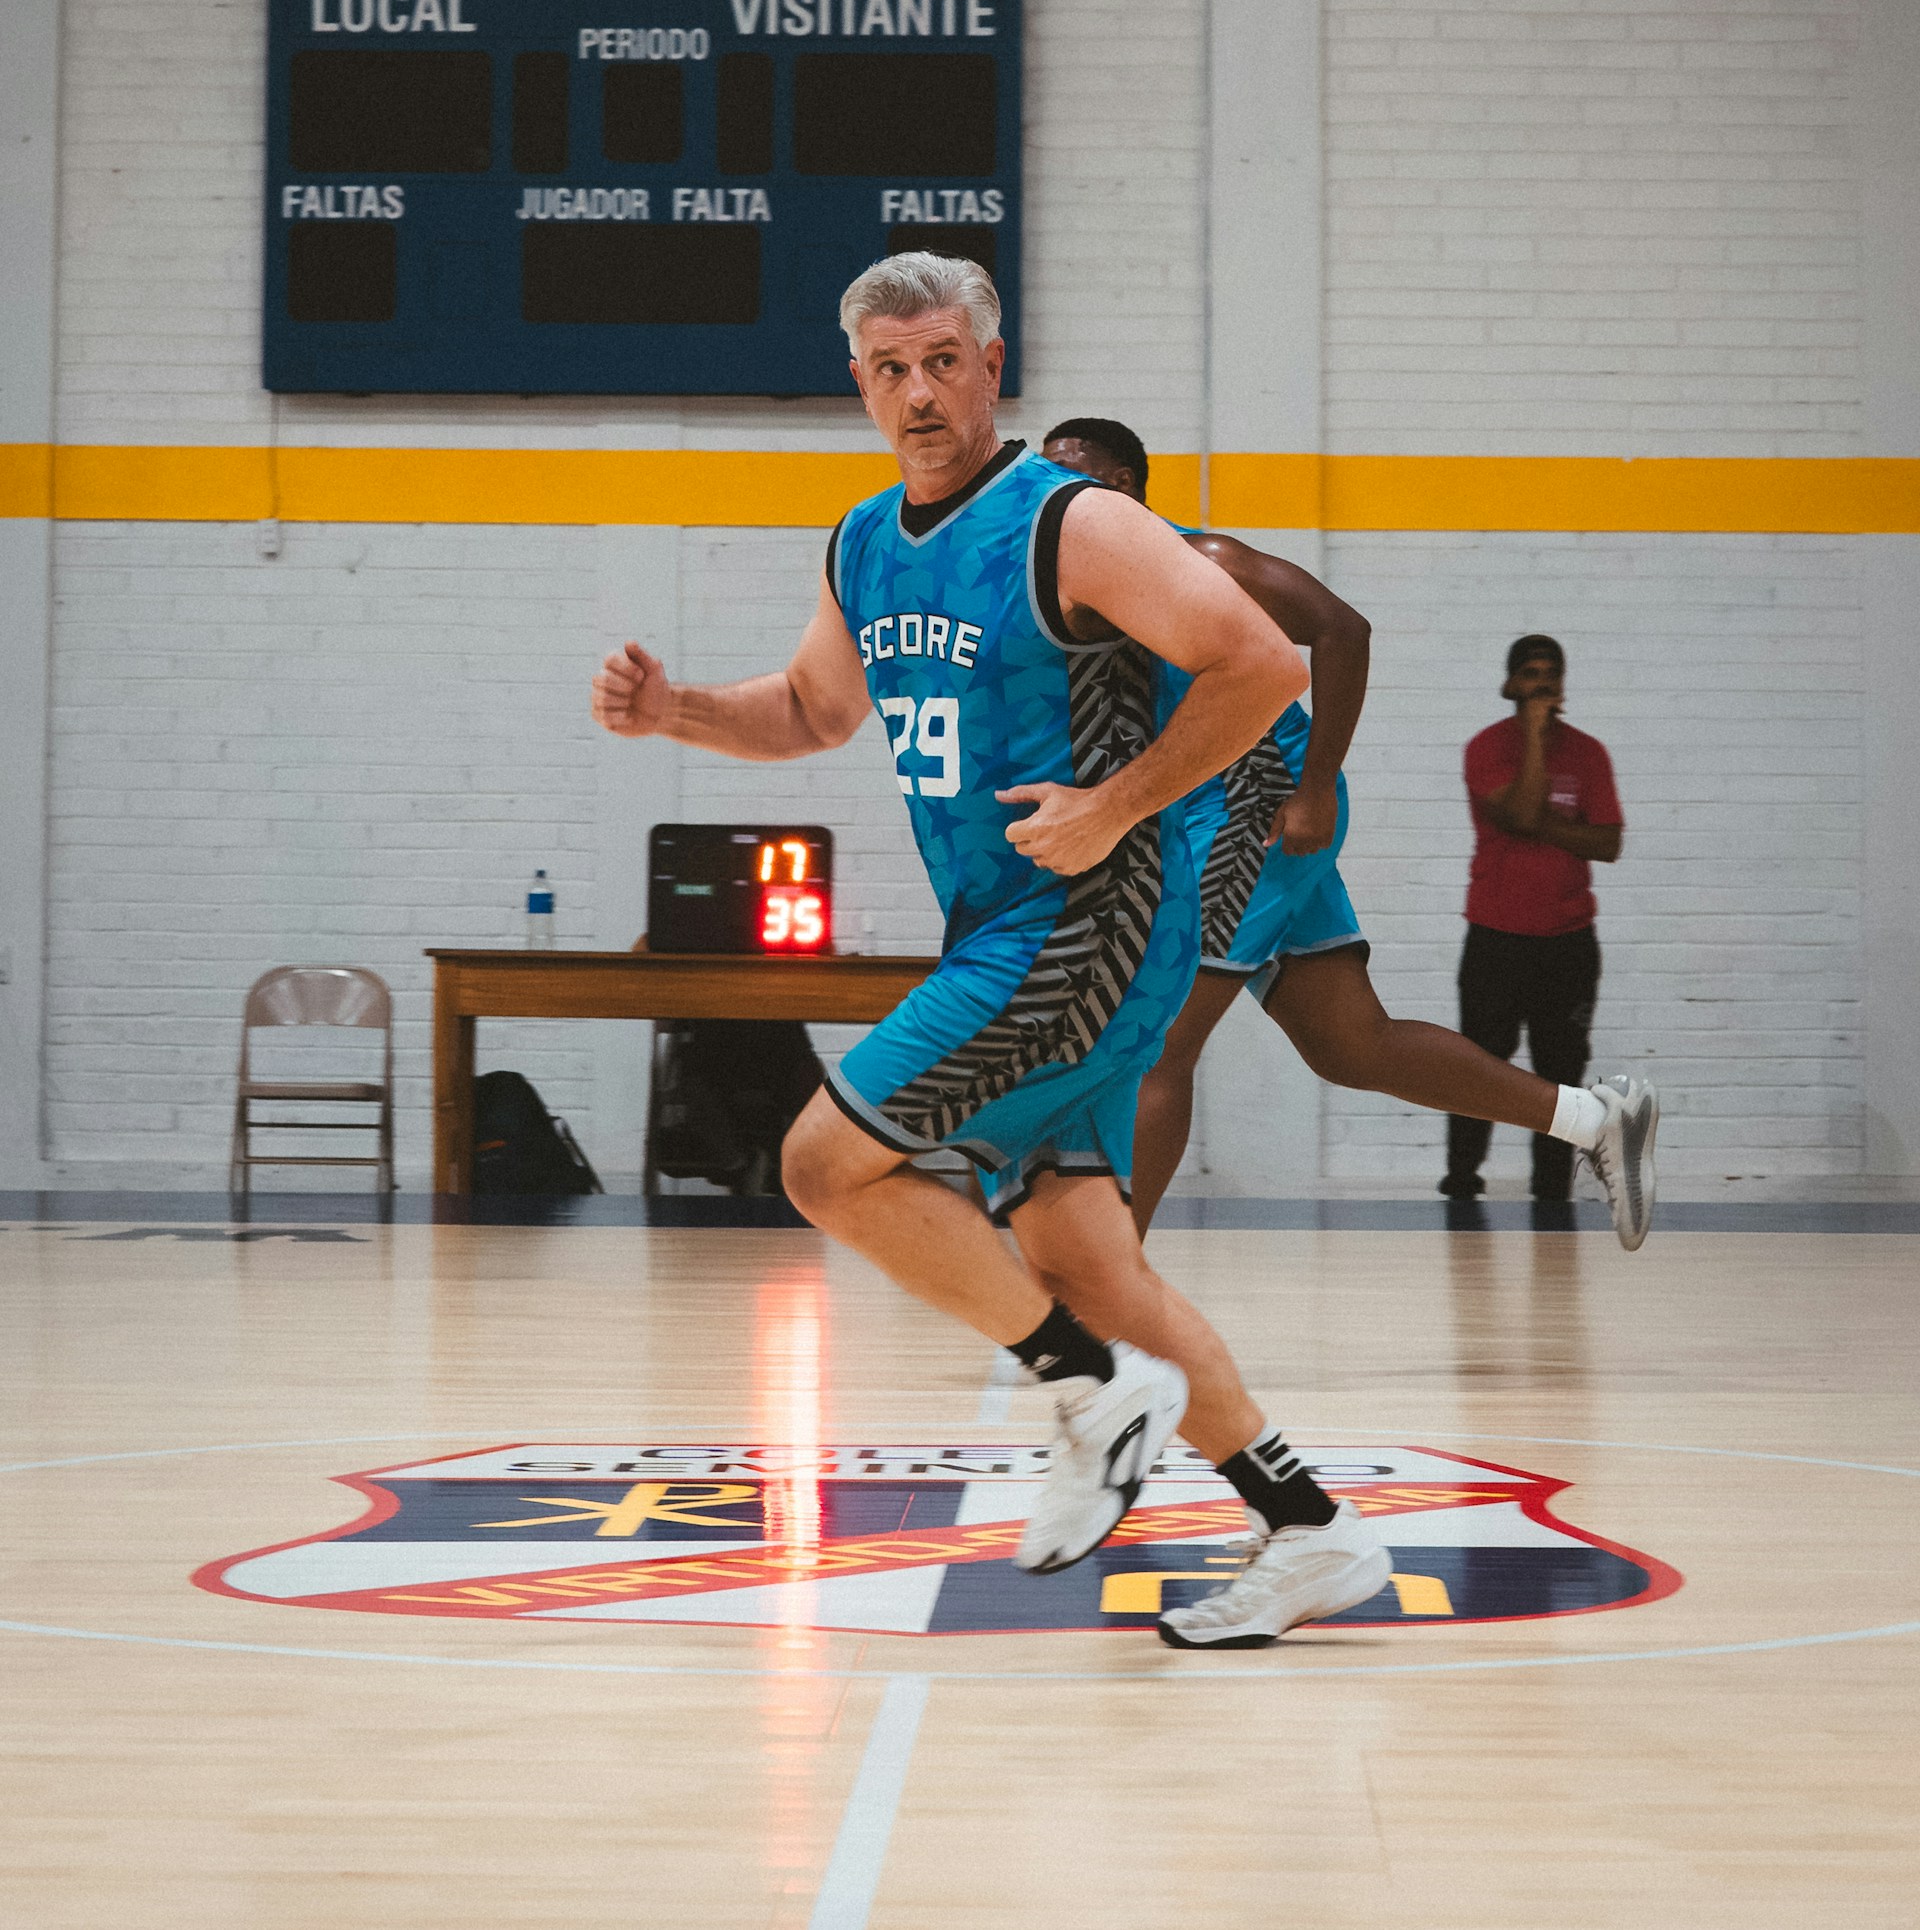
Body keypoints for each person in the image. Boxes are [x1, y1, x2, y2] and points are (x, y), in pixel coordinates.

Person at [592, 255, 1392, 1649]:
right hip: (1006, 931)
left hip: (1087, 928)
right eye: (892, 366)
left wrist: (1118, 802)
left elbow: (1264, 659)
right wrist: (678, 715)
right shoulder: (862, 542)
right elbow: (807, 708)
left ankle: (1086, 1392)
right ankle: (1310, 1525)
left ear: (992, 364)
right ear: (860, 381)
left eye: (945, 359)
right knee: (1089, 1254)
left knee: (823, 1163)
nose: (921, 390)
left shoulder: (1066, 521)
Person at [1039, 420, 1656, 1249]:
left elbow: (1342, 630)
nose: (1043, 494)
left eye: (1063, 476)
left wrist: (1317, 785)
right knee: (1350, 1045)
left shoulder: (1203, 562)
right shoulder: (1068, 590)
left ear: (1117, 486)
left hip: (1258, 808)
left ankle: (1106, 1291)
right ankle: (1592, 1119)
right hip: (1196, 818)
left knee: (1156, 1042)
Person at [1444, 636, 1638, 1206]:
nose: (1542, 684)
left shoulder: (1589, 753)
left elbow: (1608, 842)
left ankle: (1551, 1191)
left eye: (1551, 674)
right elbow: (1525, 810)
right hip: (1496, 938)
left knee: (1560, 1071)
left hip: (1568, 943)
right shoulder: (1486, 748)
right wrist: (1531, 735)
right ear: (1509, 685)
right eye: (1529, 674)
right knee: (1478, 1067)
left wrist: (1538, 827)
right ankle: (1461, 1183)